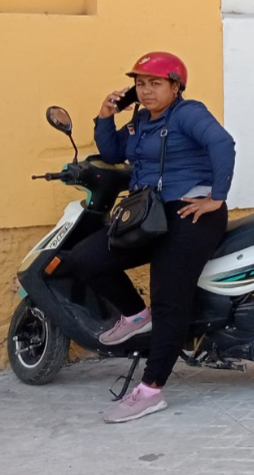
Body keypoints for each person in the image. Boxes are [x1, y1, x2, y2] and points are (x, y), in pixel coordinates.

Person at [60, 52, 236, 423]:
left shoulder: (189, 113)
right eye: (140, 83)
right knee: (86, 258)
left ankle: (151, 389)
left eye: (155, 83)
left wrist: (216, 197)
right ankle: (138, 316)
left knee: (170, 298)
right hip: (148, 213)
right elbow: (112, 152)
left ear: (175, 86)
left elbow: (223, 144)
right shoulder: (141, 120)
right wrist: (106, 115)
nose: (146, 90)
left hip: (191, 213)